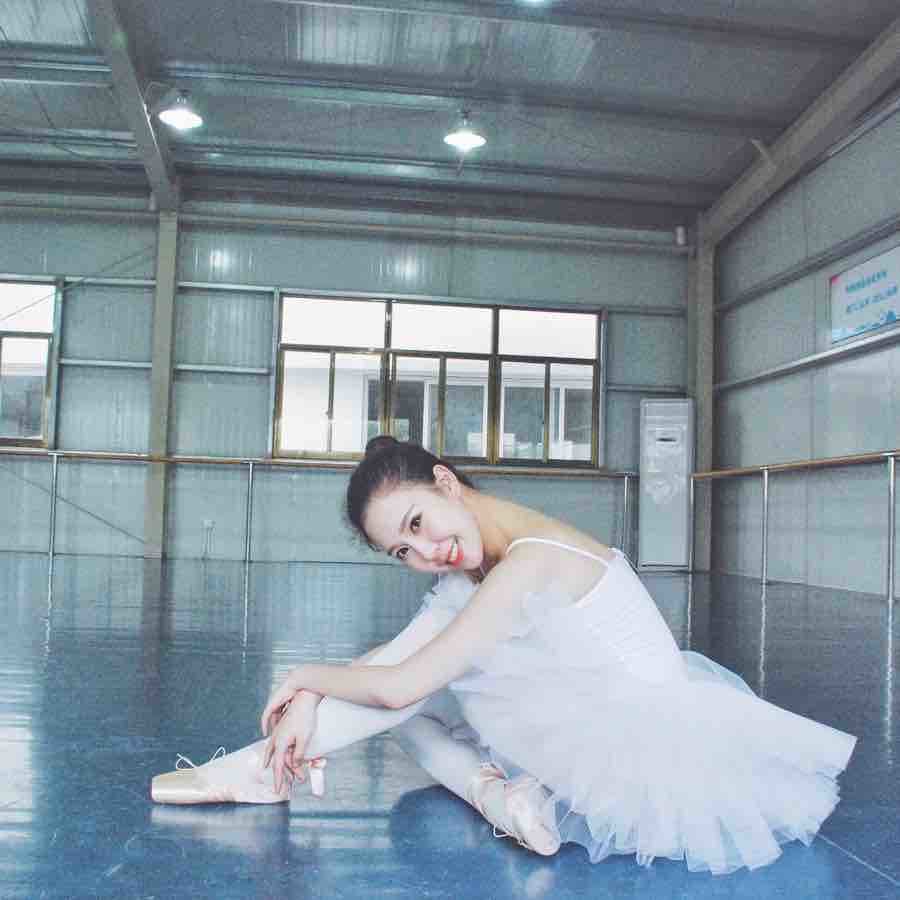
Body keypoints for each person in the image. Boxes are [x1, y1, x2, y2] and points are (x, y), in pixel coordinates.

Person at [153, 436, 856, 874]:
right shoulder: (481, 563)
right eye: (403, 550)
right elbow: (393, 659)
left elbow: (398, 685)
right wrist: (308, 697)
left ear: (446, 482)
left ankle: (256, 771)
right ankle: (502, 797)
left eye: (418, 523)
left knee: (413, 701)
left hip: (642, 767)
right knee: (414, 700)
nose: (425, 552)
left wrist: (303, 675)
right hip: (606, 742)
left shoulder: (531, 560)